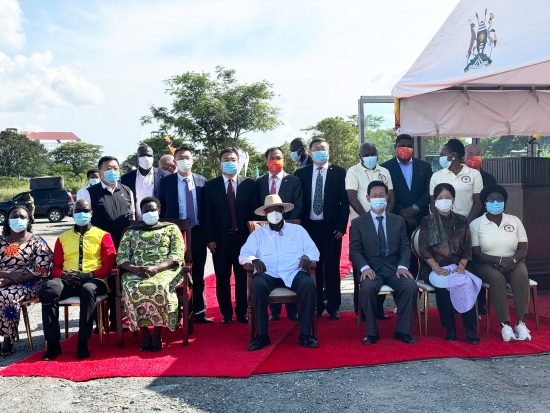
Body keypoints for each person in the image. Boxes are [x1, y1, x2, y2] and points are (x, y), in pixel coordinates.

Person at [240, 195, 320, 351]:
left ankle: (305, 335)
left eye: (277, 210)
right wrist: (254, 260)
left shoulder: (298, 231)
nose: (274, 214)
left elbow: (313, 250)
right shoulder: (258, 234)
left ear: (283, 211)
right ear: (265, 214)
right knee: (257, 284)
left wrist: (307, 256)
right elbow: (244, 254)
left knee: (308, 285)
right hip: (267, 273)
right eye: (270, 211)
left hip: (293, 272)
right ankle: (262, 335)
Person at [39, 199, 117, 360]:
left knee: (87, 289)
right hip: (68, 280)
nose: (82, 214)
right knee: (48, 290)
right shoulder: (63, 238)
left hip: (95, 280)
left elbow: (109, 265)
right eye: (78, 211)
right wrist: (64, 275)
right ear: (73, 214)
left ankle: (82, 341)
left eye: (85, 211)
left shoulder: (103, 236)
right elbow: (56, 266)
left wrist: (88, 275)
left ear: (91, 213)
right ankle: (53, 344)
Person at [349, 181, 418, 345]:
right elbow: (355, 251)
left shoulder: (398, 221)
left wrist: (402, 266)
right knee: (367, 287)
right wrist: (364, 268)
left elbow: (405, 247)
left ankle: (402, 331)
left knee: (410, 285)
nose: (378, 199)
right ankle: (372, 332)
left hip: (394, 269)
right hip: (371, 269)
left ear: (387, 197)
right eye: (374, 196)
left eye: (381, 195)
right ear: (368, 198)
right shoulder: (358, 223)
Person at [118, 197, 185, 352]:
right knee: (132, 287)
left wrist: (156, 268)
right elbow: (121, 258)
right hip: (136, 271)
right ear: (141, 213)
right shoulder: (131, 232)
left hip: (164, 270)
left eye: (152, 210)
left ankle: (157, 333)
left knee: (159, 286)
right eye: (146, 211)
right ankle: (145, 334)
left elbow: (177, 255)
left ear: (159, 210)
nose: (149, 213)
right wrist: (135, 269)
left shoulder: (171, 229)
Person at [418, 183, 480, 344]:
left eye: (447, 197)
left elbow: (467, 249)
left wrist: (461, 266)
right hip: (432, 266)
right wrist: (437, 268)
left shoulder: (462, 221)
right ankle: (450, 328)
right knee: (443, 284)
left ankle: (470, 328)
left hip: (457, 265)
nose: (444, 201)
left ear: (453, 199)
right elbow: (424, 250)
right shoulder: (427, 221)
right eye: (440, 198)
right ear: (434, 200)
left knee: (465, 283)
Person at [295, 138, 349, 320]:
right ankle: (316, 305)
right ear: (310, 153)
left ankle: (333, 306)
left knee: (332, 268)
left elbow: (344, 202)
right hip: (309, 228)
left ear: (328, 151)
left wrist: (341, 226)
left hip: (332, 229)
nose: (320, 151)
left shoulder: (339, 172)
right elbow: (299, 201)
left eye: (323, 148)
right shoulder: (301, 173)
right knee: (313, 268)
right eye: (316, 149)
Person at [469, 185, 531, 342]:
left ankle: (521, 323)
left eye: (499, 199)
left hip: (513, 261)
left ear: (505, 203)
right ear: (485, 203)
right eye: (490, 200)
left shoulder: (515, 221)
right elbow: (475, 253)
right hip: (485, 264)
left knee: (521, 275)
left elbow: (523, 248)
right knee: (497, 278)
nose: (495, 202)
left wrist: (512, 260)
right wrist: (499, 261)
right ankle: (505, 325)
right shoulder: (476, 224)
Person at [158, 146, 213, 324]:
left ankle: (199, 312)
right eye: (180, 158)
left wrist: (209, 236)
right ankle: (174, 313)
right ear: (175, 162)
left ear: (193, 160)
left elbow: (207, 211)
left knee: (197, 273)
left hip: (197, 232)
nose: (184, 160)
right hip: (174, 233)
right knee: (173, 273)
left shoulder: (202, 181)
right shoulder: (166, 183)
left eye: (187, 157)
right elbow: (161, 209)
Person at [80, 155, 134, 332]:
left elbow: (132, 217)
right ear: (100, 171)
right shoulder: (89, 192)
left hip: (122, 246)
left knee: (118, 284)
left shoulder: (127, 191)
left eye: (116, 168)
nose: (113, 172)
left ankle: (117, 320)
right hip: (98, 247)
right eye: (108, 169)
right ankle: (100, 322)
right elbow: (83, 220)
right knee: (101, 282)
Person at [203, 148, 257, 324]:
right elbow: (207, 215)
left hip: (243, 240)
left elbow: (254, 213)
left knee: (242, 278)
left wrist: (254, 239)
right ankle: (226, 313)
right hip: (220, 241)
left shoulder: (249, 184)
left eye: (233, 159)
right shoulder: (211, 186)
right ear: (220, 164)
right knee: (222, 278)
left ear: (238, 162)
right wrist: (210, 238)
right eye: (226, 160)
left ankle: (242, 312)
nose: (230, 163)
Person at [347, 142, 395, 319]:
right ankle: (361, 311)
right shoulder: (353, 171)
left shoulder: (385, 172)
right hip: (361, 225)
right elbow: (352, 197)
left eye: (372, 153)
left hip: (383, 224)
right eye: (366, 155)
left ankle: (378, 309)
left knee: (382, 263)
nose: (369, 157)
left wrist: (385, 218)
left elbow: (391, 197)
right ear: (360, 156)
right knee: (361, 267)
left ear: (377, 153)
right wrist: (368, 219)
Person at [255, 146, 303, 322]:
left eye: (278, 157)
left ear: (284, 159)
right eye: (272, 157)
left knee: (290, 266)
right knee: (270, 267)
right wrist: (268, 226)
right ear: (266, 161)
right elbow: (257, 207)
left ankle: (292, 310)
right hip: (266, 233)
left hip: (289, 231)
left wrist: (284, 225)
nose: (275, 161)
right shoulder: (259, 182)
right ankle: (274, 311)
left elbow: (298, 206)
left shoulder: (294, 180)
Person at [0, 207, 52, 356]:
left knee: (6, 295)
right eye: (14, 216)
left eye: (22, 217)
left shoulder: (37, 242)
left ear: (28, 221)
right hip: (4, 279)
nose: (18, 219)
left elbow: (42, 269)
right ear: (8, 220)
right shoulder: (1, 241)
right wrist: (9, 275)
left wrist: (11, 280)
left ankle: (8, 339)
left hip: (30, 282)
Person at [381, 134, 432, 277]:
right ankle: (400, 286)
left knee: (421, 254)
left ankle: (419, 287)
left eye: (409, 146)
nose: (406, 148)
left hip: (420, 219)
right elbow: (387, 194)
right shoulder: (385, 168)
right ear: (395, 147)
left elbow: (429, 192)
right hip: (396, 218)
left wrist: (414, 208)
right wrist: (403, 213)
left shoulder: (424, 166)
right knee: (399, 254)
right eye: (402, 145)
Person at [464, 143, 497, 313]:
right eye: (470, 153)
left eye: (477, 153)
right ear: (463, 157)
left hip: (482, 225)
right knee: (463, 263)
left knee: (480, 261)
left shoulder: (489, 178)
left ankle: (481, 302)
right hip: (461, 225)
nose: (474, 157)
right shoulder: (461, 177)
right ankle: (463, 302)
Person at [430, 139, 482, 223]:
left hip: (467, 221)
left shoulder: (474, 174)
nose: (440, 158)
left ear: (453, 155)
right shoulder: (436, 176)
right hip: (443, 223)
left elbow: (478, 203)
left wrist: (466, 224)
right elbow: (432, 203)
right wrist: (440, 223)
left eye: (443, 155)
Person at [121, 144, 169, 221]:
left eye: (149, 155)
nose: (146, 158)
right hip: (136, 223)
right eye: (142, 155)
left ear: (153, 157)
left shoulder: (165, 176)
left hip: (158, 222)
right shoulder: (126, 178)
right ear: (137, 158)